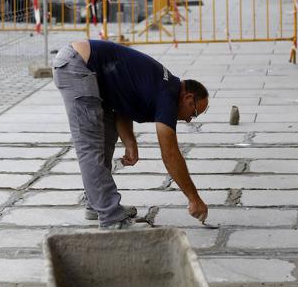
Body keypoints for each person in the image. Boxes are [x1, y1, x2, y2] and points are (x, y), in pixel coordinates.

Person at [52, 39, 210, 227]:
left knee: (104, 141)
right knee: (91, 146)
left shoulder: (165, 87)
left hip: (92, 73)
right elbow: (170, 154)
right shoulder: (167, 95)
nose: (189, 120)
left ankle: (97, 204)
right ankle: (112, 218)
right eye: (194, 113)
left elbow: (123, 101)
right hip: (78, 65)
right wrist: (194, 199)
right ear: (188, 98)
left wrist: (130, 142)